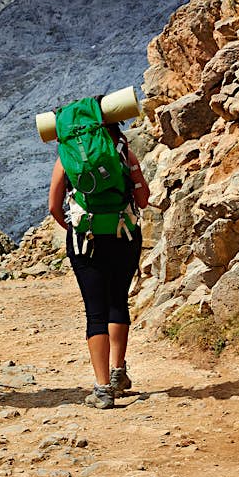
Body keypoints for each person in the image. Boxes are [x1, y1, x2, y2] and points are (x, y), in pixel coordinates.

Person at [49, 120, 150, 409]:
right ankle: (118, 373)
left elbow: (54, 207)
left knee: (95, 313)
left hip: (85, 240)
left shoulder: (67, 157)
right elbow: (143, 200)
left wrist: (73, 230)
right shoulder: (123, 153)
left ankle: (102, 388)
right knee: (118, 300)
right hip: (125, 235)